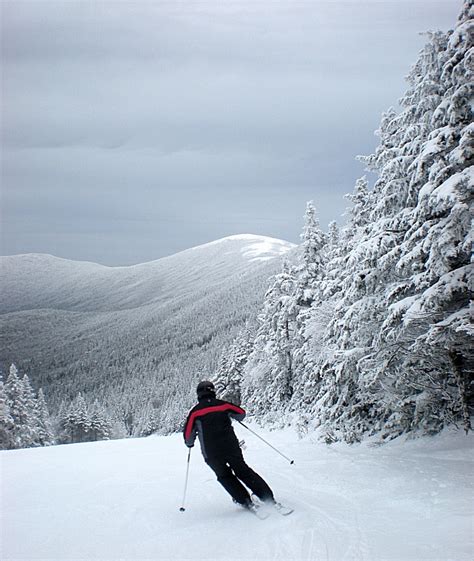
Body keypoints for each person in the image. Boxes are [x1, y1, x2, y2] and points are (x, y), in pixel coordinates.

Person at [183, 380, 275, 509]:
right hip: (231, 447)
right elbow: (241, 413)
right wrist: (229, 415)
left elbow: (188, 435)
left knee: (224, 475)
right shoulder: (223, 405)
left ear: (199, 394)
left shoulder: (195, 412)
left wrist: (189, 444)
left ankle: (244, 500)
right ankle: (267, 497)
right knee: (243, 471)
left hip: (211, 452)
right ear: (213, 391)